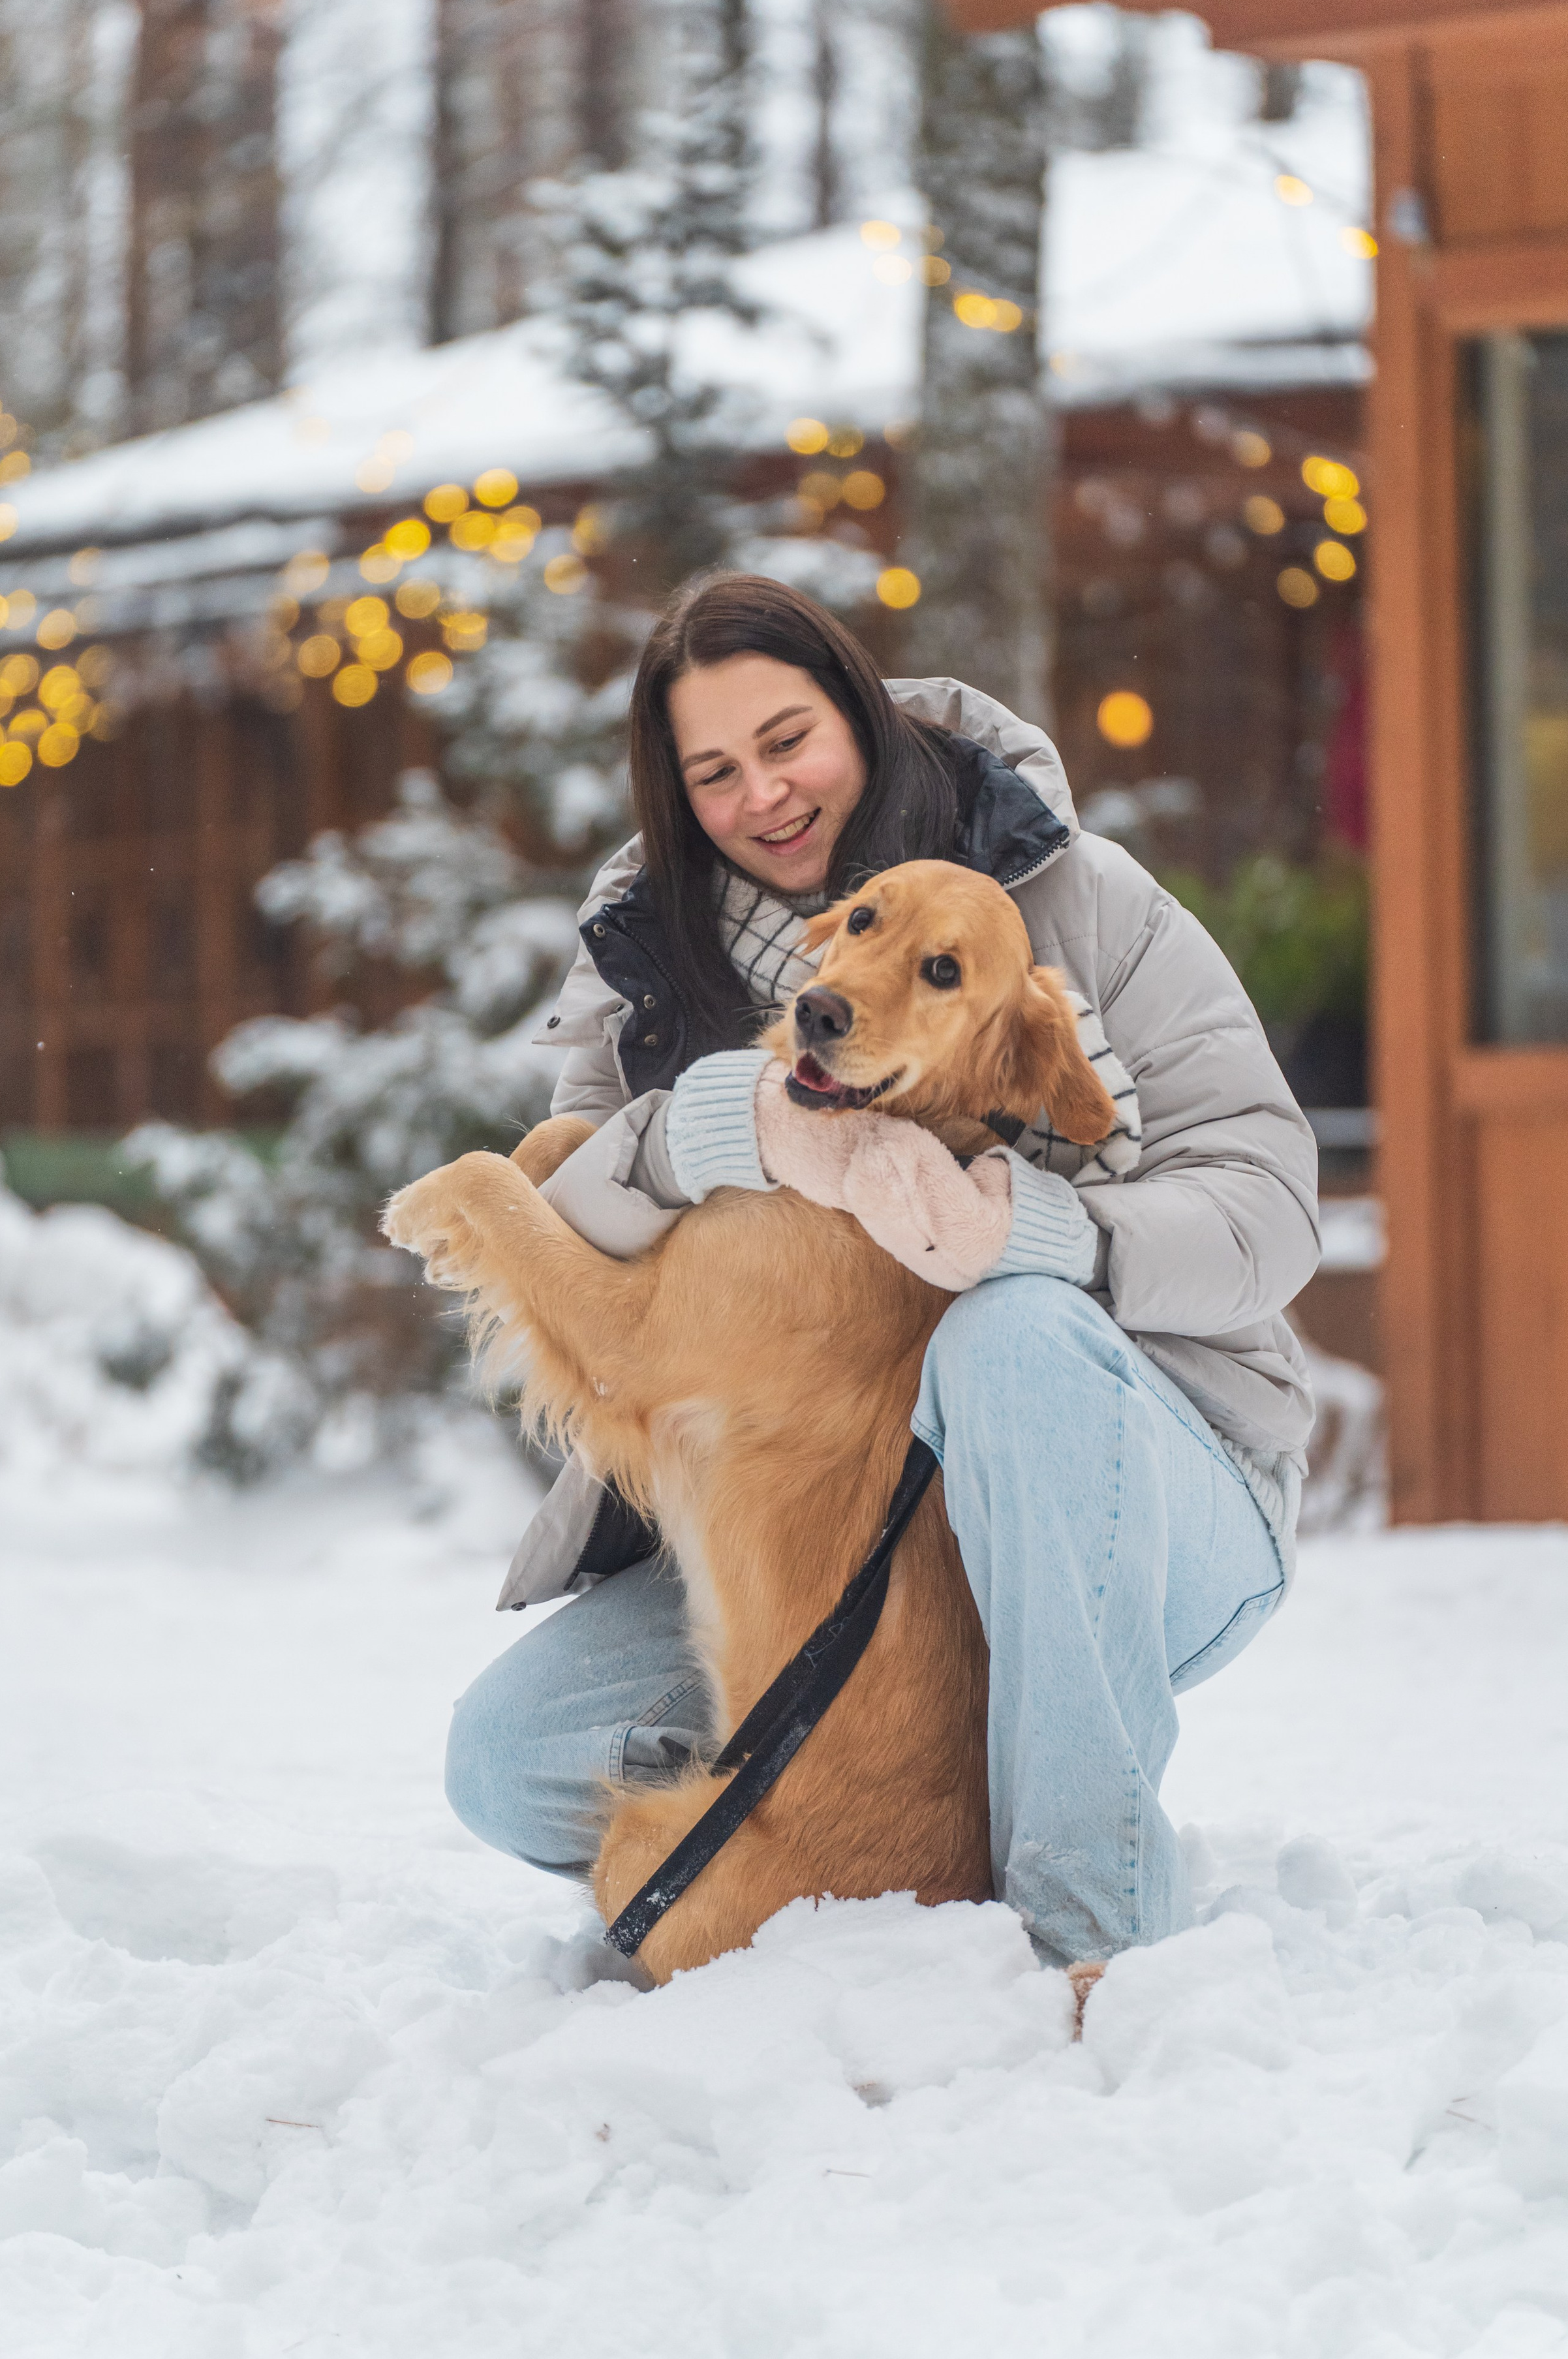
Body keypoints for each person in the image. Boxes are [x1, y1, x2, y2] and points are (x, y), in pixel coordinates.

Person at [443, 572, 1319, 1971]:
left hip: (1143, 1497)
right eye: (713, 771)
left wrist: (1032, 1236)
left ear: (856, 712)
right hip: (848, 1538)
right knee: (509, 1755)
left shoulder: (1084, 905)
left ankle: (1088, 1939)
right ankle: (901, 1853)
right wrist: (710, 1125)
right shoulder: (650, 956)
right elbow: (574, 1215)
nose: (764, 796)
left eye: (787, 740)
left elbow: (1270, 1210)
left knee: (1008, 1338)